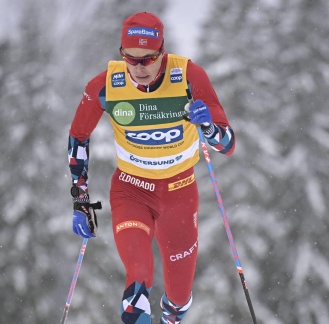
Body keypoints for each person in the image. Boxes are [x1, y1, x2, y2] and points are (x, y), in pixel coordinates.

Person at [67, 11, 235, 324]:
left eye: (148, 59)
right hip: (132, 190)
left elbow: (227, 144)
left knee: (179, 300)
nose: (139, 68)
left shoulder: (188, 76)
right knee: (138, 279)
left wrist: (210, 126)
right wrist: (81, 198)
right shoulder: (106, 85)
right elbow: (78, 136)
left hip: (180, 194)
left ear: (162, 53)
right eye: (131, 59)